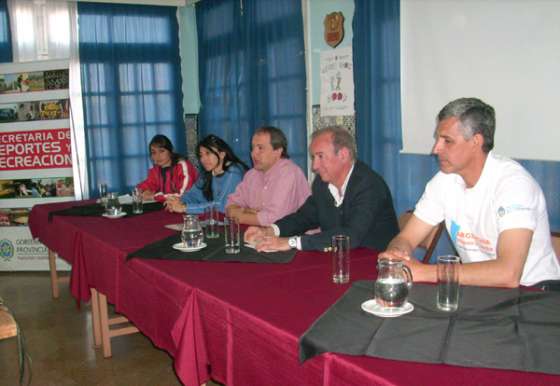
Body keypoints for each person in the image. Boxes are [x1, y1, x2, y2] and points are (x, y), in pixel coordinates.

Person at [379, 97, 560, 288]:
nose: (435, 149)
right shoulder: (444, 181)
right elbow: (407, 237)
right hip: (481, 292)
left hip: (535, 293)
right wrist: (397, 254)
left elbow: (509, 273)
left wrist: (424, 272)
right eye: (437, 139)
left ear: (476, 142)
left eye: (447, 141)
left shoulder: (514, 185)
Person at [245, 126, 399, 252]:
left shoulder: (369, 185)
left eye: (320, 156)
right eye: (313, 158)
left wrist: (291, 242)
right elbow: (304, 217)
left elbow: (351, 236)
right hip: (339, 259)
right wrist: (271, 230)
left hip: (374, 265)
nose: (314, 166)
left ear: (343, 155)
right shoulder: (321, 184)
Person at [226, 126, 310, 226]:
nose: (253, 154)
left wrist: (241, 216)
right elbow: (230, 207)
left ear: (278, 151)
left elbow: (275, 220)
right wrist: (247, 211)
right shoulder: (251, 175)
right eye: (252, 148)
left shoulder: (289, 173)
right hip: (263, 236)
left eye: (260, 148)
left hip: (298, 238)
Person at [164, 135, 249, 214]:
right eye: (201, 155)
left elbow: (223, 206)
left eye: (208, 153)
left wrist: (184, 208)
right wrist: (178, 201)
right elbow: (194, 195)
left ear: (222, 154)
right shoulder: (209, 172)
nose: (203, 159)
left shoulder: (234, 172)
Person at [137, 134, 198, 203]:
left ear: (170, 151)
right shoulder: (156, 170)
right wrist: (143, 191)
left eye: (162, 151)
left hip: (190, 208)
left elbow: (184, 196)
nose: (157, 156)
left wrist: (154, 196)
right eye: (153, 152)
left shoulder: (183, 166)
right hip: (169, 208)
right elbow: (147, 184)